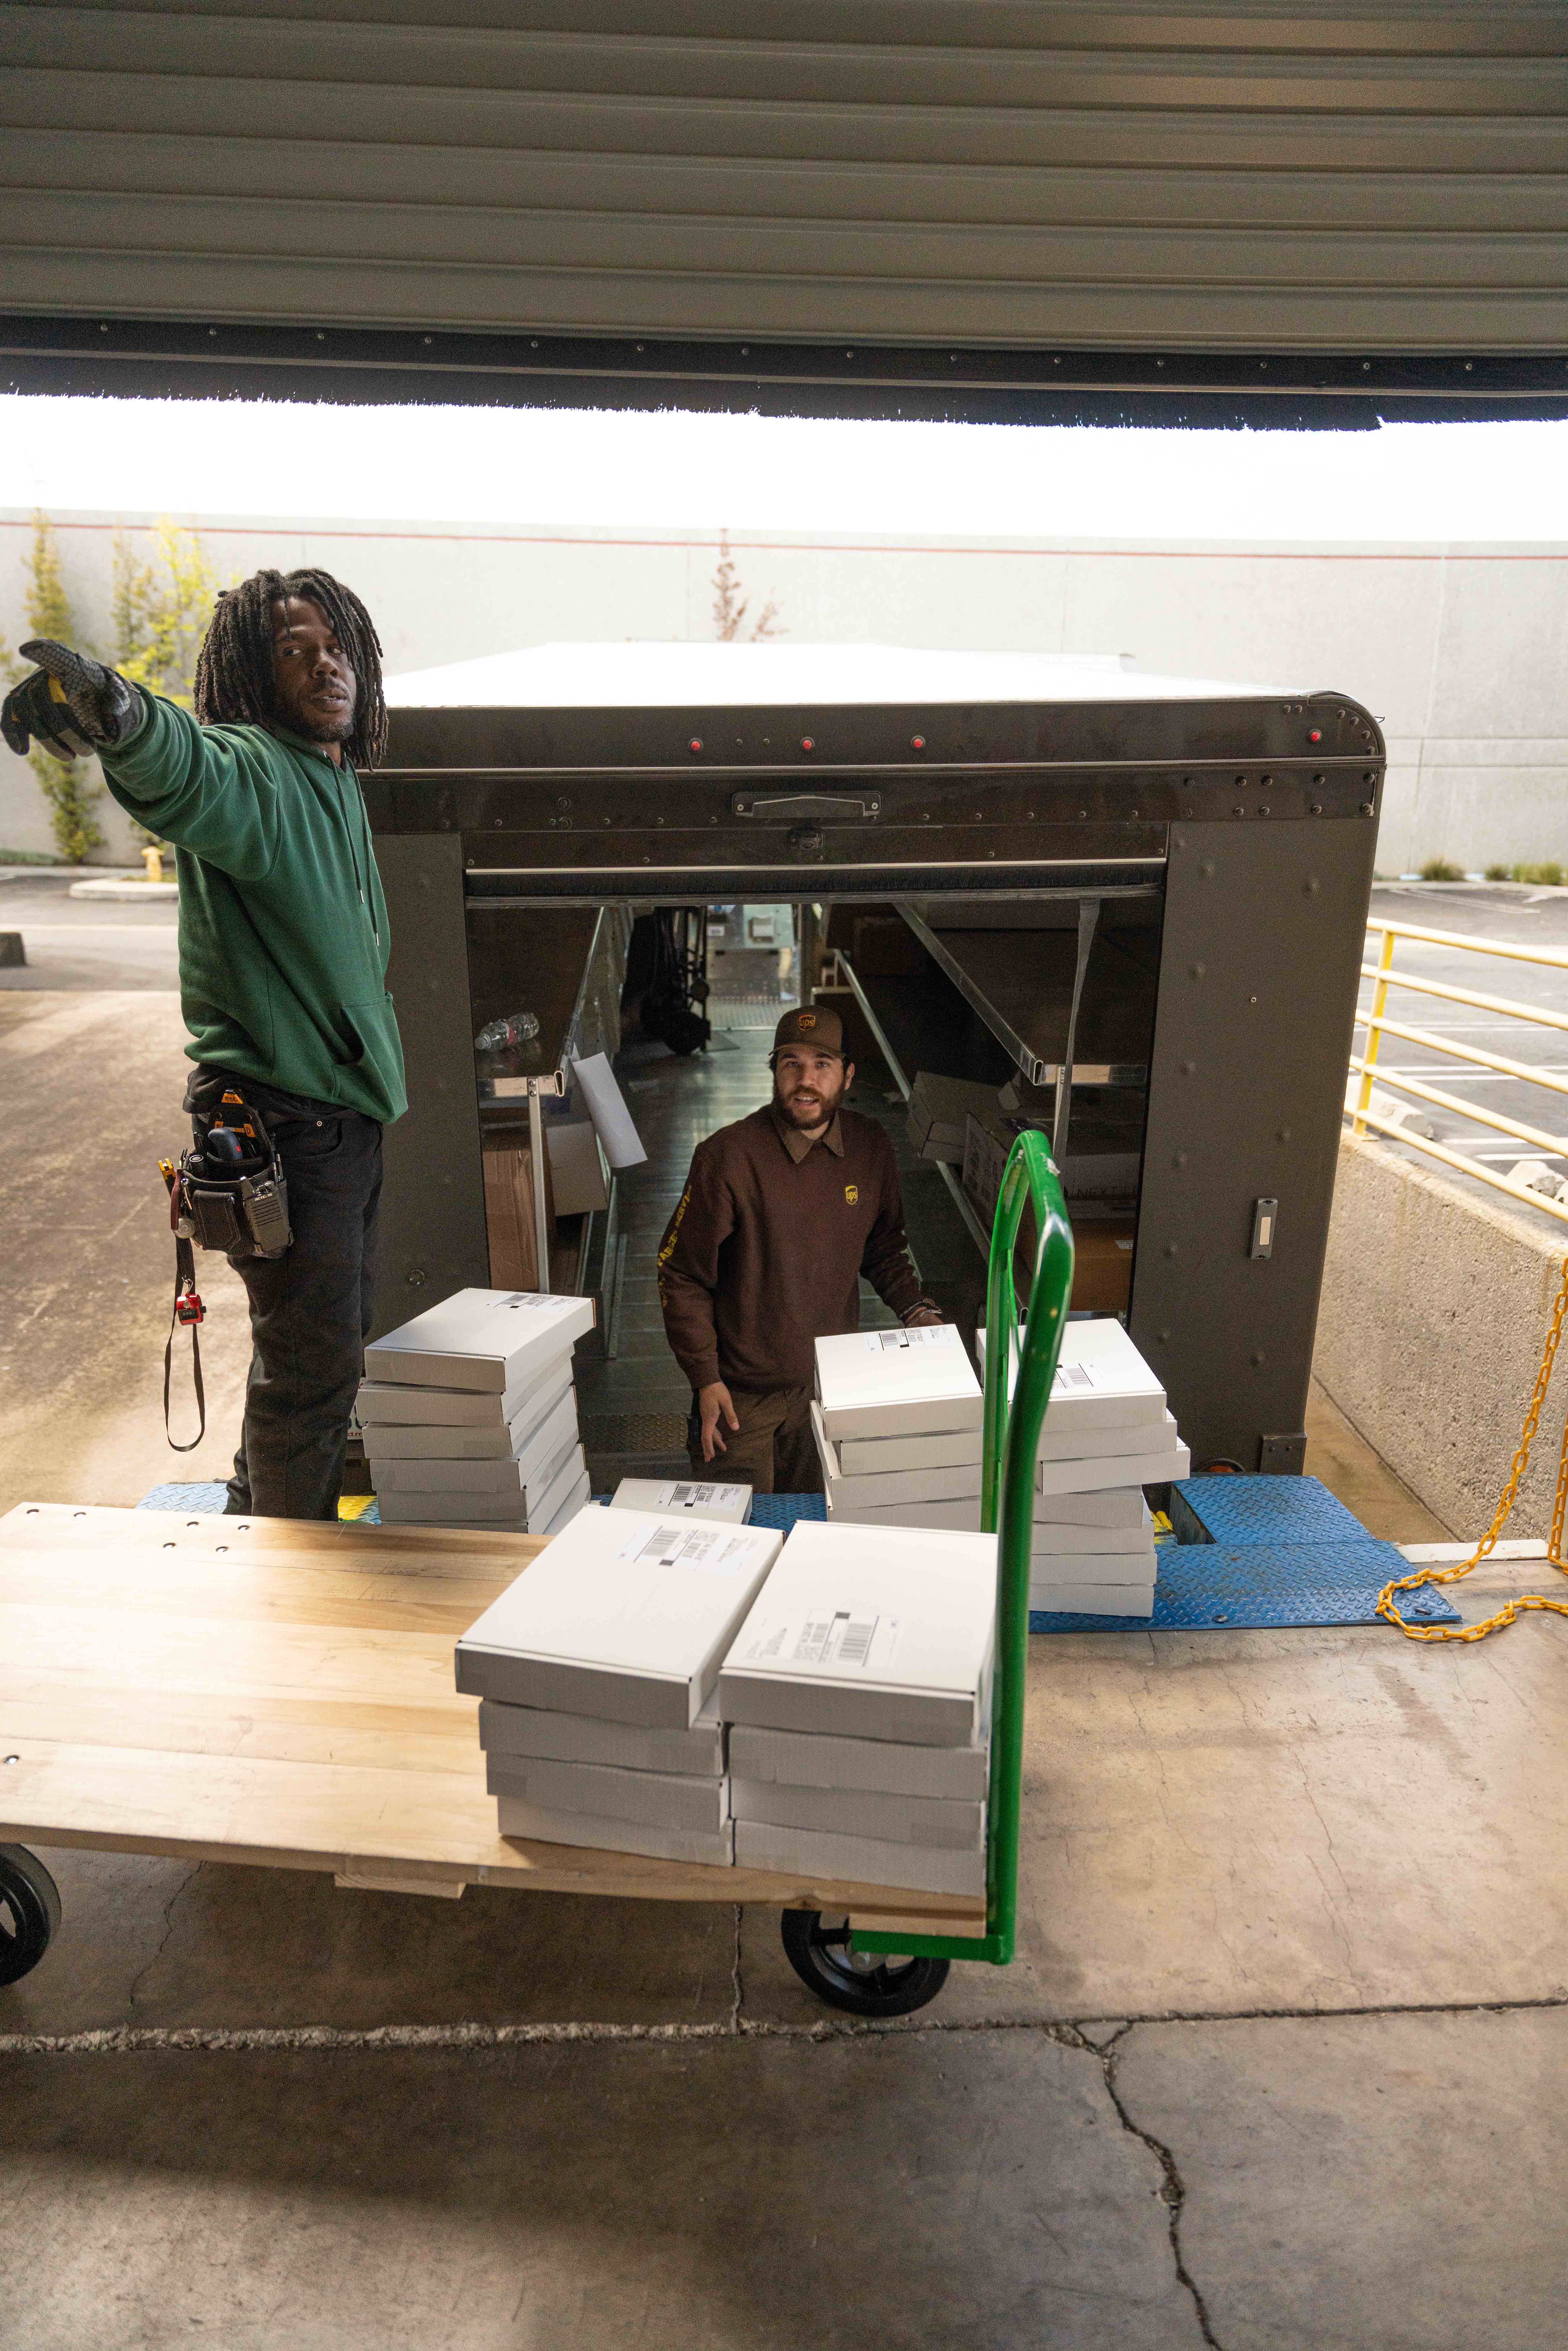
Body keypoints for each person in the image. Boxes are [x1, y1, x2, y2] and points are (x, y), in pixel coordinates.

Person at [0, 570, 405, 1521]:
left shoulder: (331, 777)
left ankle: (245, 1516)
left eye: (336, 645)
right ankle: (288, 1573)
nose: (325, 666)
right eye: (294, 652)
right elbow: (186, 766)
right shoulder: (258, 770)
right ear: (254, 679)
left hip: (336, 1116)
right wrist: (121, 711)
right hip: (289, 1120)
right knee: (312, 1372)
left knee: (314, 1347)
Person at [657, 1005, 943, 1492]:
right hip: (739, 1400)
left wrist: (915, 1309)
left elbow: (883, 1246)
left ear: (847, 1075)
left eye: (822, 1064)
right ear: (774, 1071)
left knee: (815, 1530)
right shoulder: (728, 1157)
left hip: (828, 1388)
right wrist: (705, 1378)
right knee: (736, 1538)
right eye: (791, 1063)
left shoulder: (870, 1147)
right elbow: (681, 1274)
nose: (805, 1080)